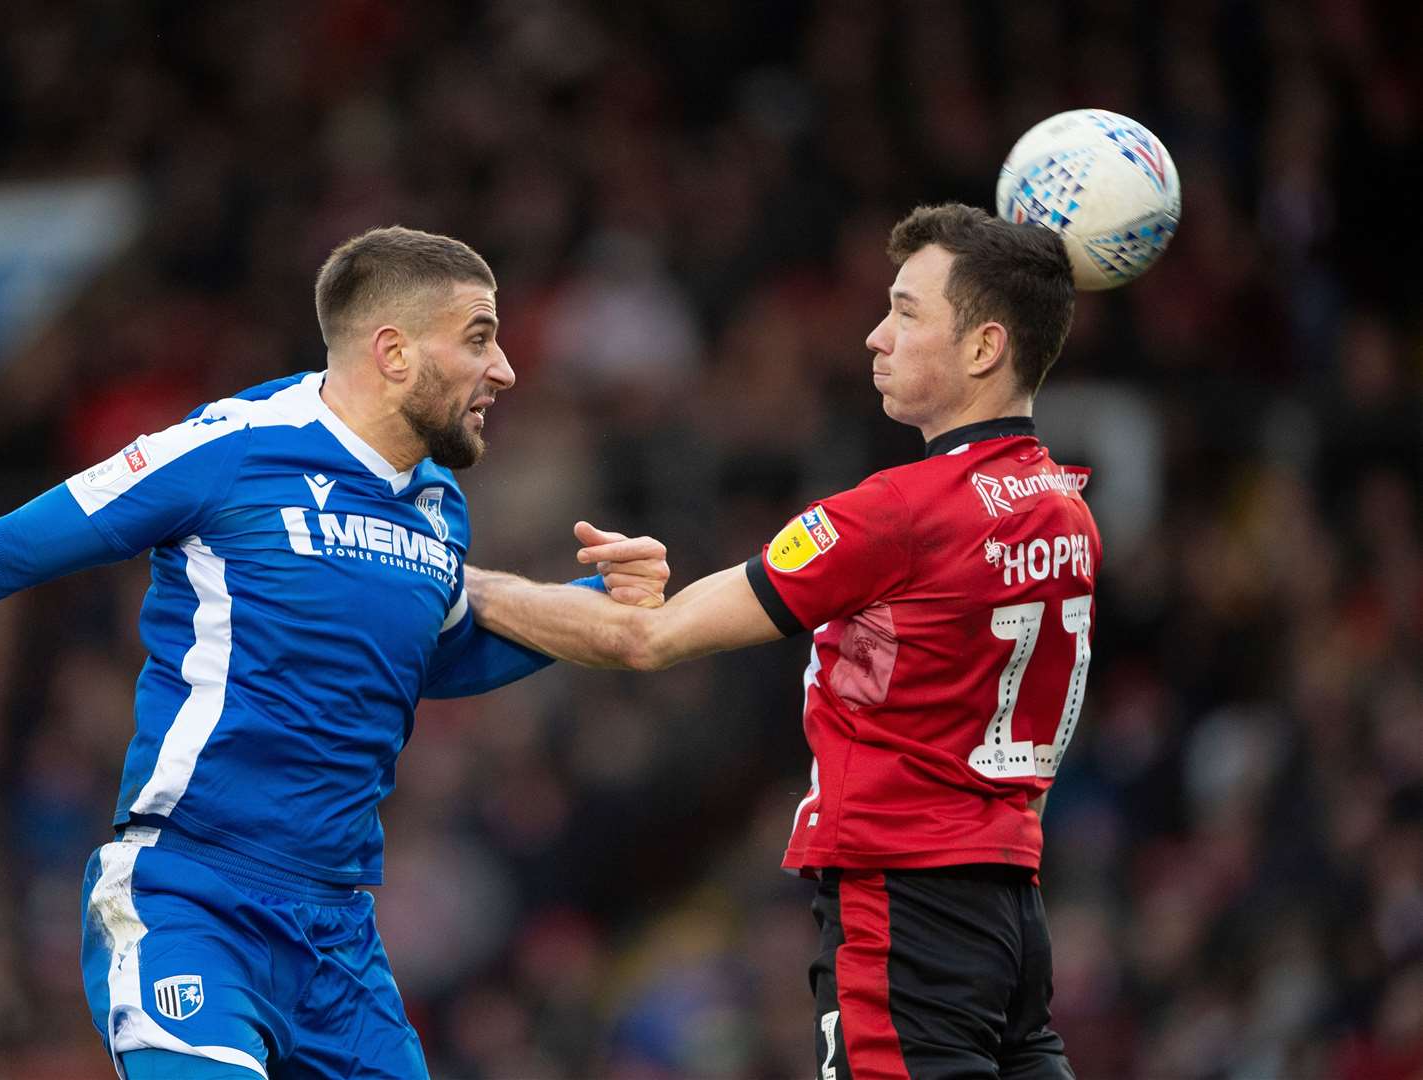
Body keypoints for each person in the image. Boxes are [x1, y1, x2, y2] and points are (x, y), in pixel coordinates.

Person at [0, 226, 670, 1080]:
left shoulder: (435, 507)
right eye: (479, 339)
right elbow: (12, 544)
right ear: (394, 353)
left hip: (336, 941)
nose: (503, 371)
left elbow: (428, 663)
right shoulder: (229, 449)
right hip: (190, 899)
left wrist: (595, 607)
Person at [467, 203, 1095, 1079]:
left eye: (906, 312)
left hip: (901, 909)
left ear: (985, 347)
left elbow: (651, 640)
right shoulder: (1064, 507)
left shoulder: (897, 513)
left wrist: (467, 585)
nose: (875, 337)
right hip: (1008, 909)